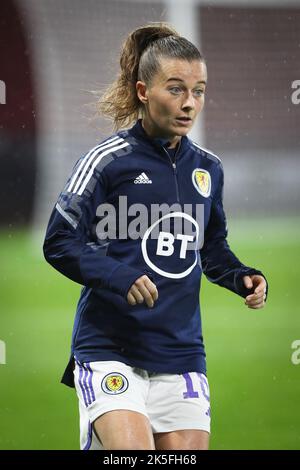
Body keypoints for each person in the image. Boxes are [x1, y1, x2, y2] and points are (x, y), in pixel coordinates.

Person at [43, 23, 268, 451]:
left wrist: (242, 278)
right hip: (110, 346)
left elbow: (212, 249)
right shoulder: (107, 161)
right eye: (176, 89)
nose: (189, 104)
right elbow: (58, 242)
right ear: (144, 91)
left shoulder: (208, 169)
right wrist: (118, 276)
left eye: (198, 91)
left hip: (181, 352)